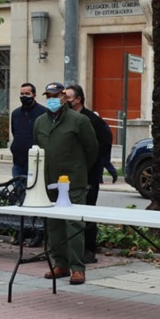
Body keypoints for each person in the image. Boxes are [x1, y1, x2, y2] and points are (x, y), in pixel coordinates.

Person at [33, 82, 98, 285]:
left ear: (63, 96)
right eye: (48, 95)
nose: (52, 99)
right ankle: (60, 264)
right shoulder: (40, 122)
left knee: (74, 224)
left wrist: (79, 171)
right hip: (49, 181)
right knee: (54, 226)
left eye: (56, 95)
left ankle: (77, 268)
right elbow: (37, 149)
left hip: (73, 182)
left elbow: (92, 150)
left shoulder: (79, 120)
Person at [65, 84, 112, 264]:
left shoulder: (91, 120)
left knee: (88, 211)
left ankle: (89, 249)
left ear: (78, 100)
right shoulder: (65, 118)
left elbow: (104, 142)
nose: (65, 101)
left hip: (88, 174)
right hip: (69, 174)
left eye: (68, 97)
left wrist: (96, 165)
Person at [9, 82, 47, 178]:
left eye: (27, 94)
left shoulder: (43, 113)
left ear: (34, 95)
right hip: (18, 161)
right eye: (22, 94)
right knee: (18, 190)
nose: (24, 96)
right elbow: (15, 132)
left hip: (35, 160)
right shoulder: (16, 113)